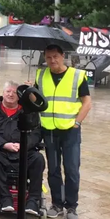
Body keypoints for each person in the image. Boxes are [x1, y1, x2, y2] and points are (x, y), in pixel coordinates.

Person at [27, 44, 92, 219]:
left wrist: (77, 123)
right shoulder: (41, 75)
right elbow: (37, 101)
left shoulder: (77, 76)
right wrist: (30, 91)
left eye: (55, 56)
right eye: (48, 57)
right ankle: (56, 204)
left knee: (71, 169)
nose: (52, 60)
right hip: (49, 130)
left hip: (70, 131)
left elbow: (87, 102)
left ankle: (71, 206)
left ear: (63, 56)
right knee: (54, 169)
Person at [0, 81, 45, 216]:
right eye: (8, 91)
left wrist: (24, 144)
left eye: (14, 92)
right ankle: (5, 199)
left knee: (38, 159)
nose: (11, 94)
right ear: (3, 93)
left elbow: (37, 132)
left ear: (19, 96)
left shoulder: (27, 110)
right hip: (1, 150)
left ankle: (33, 201)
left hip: (24, 151)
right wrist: (3, 144)